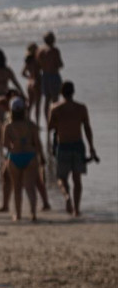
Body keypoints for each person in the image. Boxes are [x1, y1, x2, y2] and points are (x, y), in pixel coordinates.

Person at [47, 81, 97, 217]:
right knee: (77, 179)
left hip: (63, 145)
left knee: (61, 178)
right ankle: (77, 209)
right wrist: (92, 148)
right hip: (78, 145)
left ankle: (67, 196)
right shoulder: (81, 108)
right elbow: (87, 128)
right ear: (73, 92)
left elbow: (49, 127)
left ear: (61, 93)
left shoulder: (55, 108)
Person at [1, 98, 44, 222]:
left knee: (17, 187)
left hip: (14, 157)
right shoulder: (31, 125)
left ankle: (18, 214)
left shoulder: (8, 125)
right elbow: (37, 143)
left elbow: (5, 144)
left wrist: (14, 144)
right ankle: (33, 213)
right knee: (30, 187)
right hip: (30, 156)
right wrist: (42, 157)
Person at [36, 32, 64, 124]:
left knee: (47, 100)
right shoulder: (54, 50)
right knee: (55, 99)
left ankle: (47, 120)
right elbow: (60, 64)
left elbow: (38, 65)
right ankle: (55, 119)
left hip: (45, 76)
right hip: (54, 75)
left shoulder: (40, 50)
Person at [21, 43, 42, 126]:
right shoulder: (37, 60)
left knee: (30, 104)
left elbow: (22, 73)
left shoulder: (28, 61)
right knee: (38, 105)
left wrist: (29, 77)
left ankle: (28, 120)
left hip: (29, 83)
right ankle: (37, 123)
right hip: (37, 82)